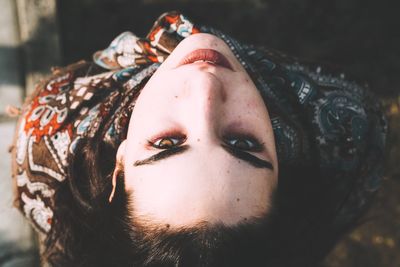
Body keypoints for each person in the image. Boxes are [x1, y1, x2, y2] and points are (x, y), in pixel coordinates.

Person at [9, 11, 387, 267]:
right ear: (283, 170)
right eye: (243, 143)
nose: (205, 89)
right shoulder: (347, 132)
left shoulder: (49, 139)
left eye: (167, 143)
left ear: (119, 165)